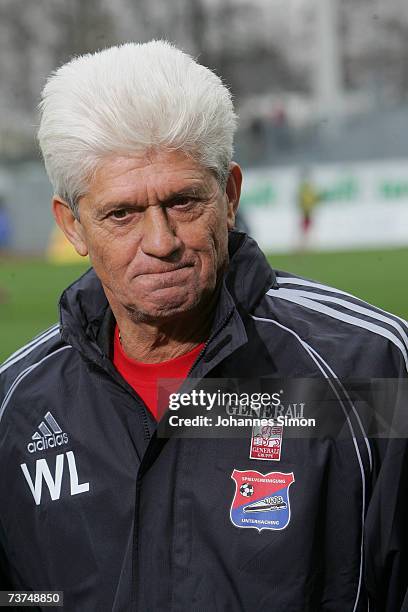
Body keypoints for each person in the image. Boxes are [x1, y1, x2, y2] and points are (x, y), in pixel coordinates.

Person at [0, 41, 407, 612]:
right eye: (122, 214)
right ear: (72, 226)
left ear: (230, 194)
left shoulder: (371, 371)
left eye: (184, 202)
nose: (162, 242)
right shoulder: (17, 406)